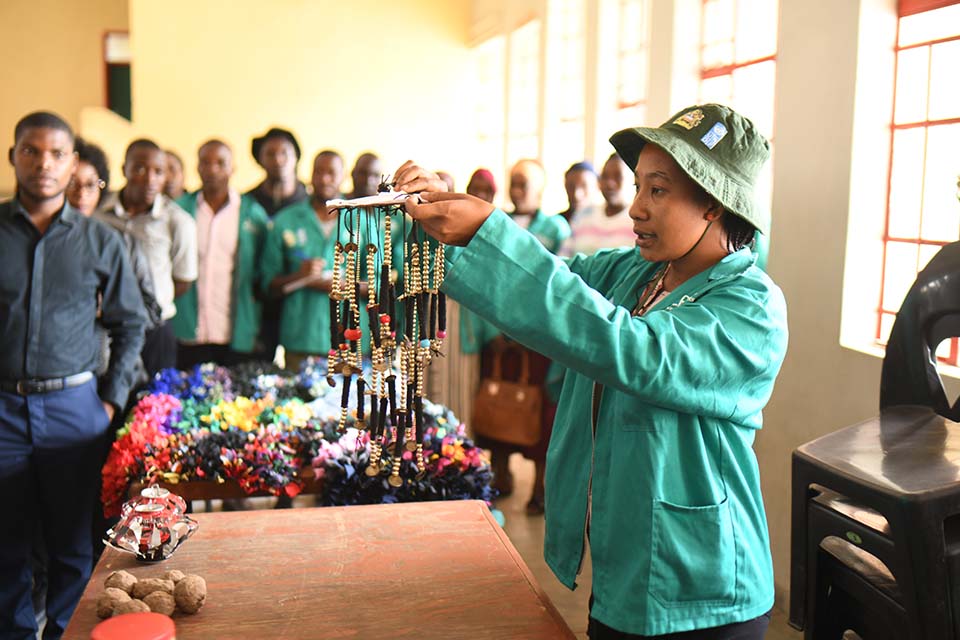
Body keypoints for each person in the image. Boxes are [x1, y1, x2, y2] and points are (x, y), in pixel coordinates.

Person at [394, 103, 787, 638]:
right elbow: (547, 278)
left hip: (705, 586)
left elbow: (633, 349)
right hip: (624, 565)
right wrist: (448, 216)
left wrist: (489, 229)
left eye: (659, 190)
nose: (637, 209)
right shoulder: (635, 272)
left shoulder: (750, 307)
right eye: (639, 187)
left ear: (714, 204)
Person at [0, 111, 146, 640]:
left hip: (75, 409)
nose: (44, 164)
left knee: (73, 545)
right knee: (6, 544)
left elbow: (132, 324)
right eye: (31, 151)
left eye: (57, 154)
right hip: (3, 411)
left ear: (73, 163)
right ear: (14, 155)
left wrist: (108, 401)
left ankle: (67, 633)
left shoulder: (100, 240)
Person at [462, 158, 570, 515]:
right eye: (514, 182)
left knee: (539, 410)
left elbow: (562, 277)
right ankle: (501, 476)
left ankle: (540, 486)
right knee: (497, 399)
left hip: (538, 334)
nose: (518, 189)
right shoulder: (498, 222)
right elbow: (488, 273)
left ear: (541, 187)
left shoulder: (555, 227)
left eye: (525, 183)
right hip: (498, 330)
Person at [95, 139, 197, 375]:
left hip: (154, 330)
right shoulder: (99, 215)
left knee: (156, 402)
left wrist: (143, 302)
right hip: (105, 329)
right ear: (124, 170)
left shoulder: (178, 222)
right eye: (140, 168)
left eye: (159, 172)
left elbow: (182, 281)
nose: (151, 179)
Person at [172, 140, 270, 368]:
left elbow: (263, 270)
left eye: (220, 163)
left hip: (234, 331)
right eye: (206, 162)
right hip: (188, 330)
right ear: (197, 167)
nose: (212, 169)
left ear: (232, 168)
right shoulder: (179, 210)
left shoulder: (251, 214)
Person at [260, 150, 349, 372]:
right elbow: (267, 284)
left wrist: (344, 286)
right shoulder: (286, 220)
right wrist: (301, 276)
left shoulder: (362, 221)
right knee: (298, 405)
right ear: (310, 175)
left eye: (332, 173)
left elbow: (380, 283)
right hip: (299, 339)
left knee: (350, 405)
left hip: (349, 341)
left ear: (343, 176)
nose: (325, 179)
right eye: (319, 172)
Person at [563, 153, 637, 256]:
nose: (609, 183)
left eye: (618, 177)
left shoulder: (637, 222)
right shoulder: (582, 215)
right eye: (605, 177)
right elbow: (564, 257)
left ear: (634, 180)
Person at [245, 127, 308, 217]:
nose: (278, 160)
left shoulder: (311, 203)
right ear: (260, 160)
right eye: (270, 154)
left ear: (296, 157)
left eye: (284, 153)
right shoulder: (247, 204)